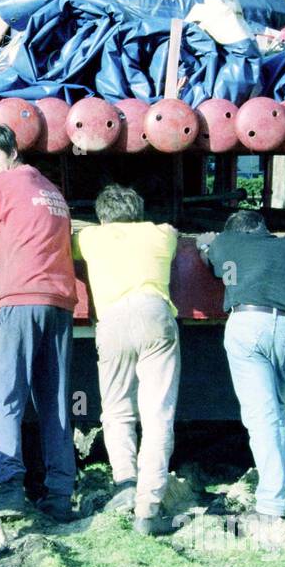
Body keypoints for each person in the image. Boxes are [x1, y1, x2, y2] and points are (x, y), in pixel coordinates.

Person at [0, 124, 78, 522]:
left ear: (7, 152)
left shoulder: (3, 183)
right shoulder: (51, 190)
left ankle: (10, 489)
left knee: (6, 397)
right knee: (55, 402)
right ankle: (59, 493)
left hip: (20, 299)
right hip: (59, 303)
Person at [196, 212, 285, 521]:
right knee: (273, 414)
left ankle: (271, 504)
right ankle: (273, 491)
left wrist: (204, 245)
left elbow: (209, 261)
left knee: (264, 418)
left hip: (248, 324)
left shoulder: (225, 242)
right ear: (264, 230)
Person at [73, 184, 180, 535]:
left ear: (102, 216)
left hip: (113, 320)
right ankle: (148, 509)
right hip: (154, 314)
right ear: (140, 211)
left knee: (116, 408)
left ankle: (124, 482)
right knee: (157, 413)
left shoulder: (90, 238)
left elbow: (67, 240)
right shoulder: (163, 234)